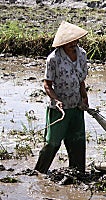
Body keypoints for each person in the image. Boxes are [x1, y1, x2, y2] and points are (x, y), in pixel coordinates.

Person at [34, 21, 89, 174]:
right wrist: (56, 100)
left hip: (76, 106)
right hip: (59, 109)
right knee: (52, 142)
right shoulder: (53, 59)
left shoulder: (82, 54)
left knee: (77, 141)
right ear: (63, 43)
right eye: (70, 42)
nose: (73, 44)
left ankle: (78, 173)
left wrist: (84, 99)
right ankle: (39, 172)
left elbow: (81, 81)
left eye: (75, 41)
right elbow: (47, 84)